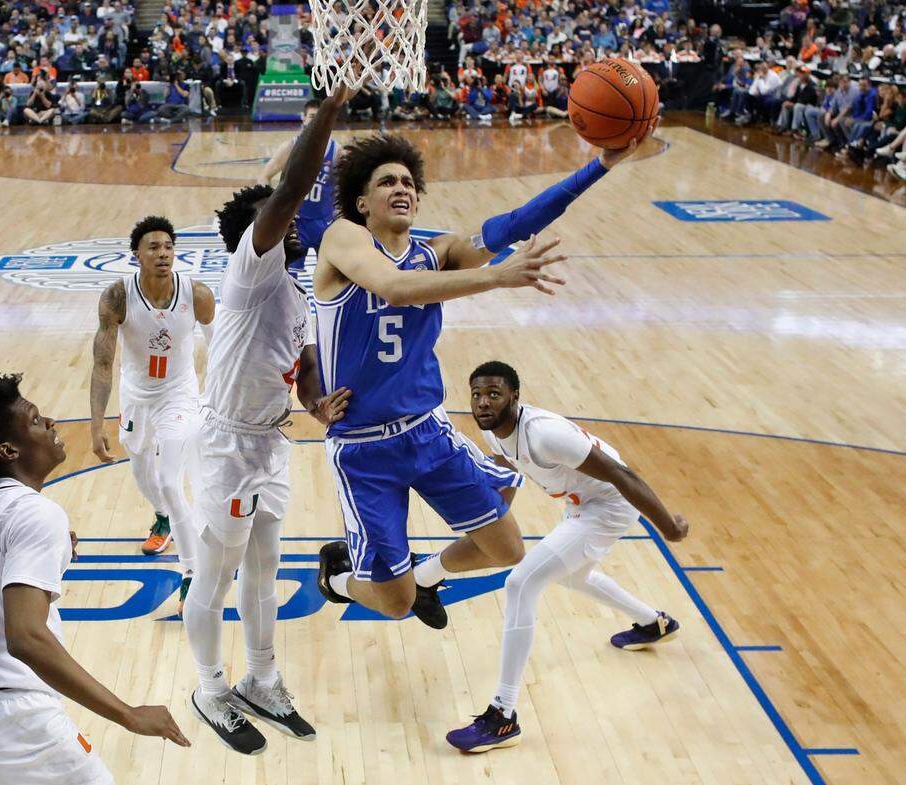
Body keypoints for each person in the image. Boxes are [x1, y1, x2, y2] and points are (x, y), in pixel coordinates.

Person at [312, 129, 648, 632]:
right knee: (395, 603)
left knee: (507, 547)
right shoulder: (343, 238)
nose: (402, 188)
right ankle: (336, 580)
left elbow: (514, 224)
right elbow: (395, 288)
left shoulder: (437, 252)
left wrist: (600, 165)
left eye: (408, 182)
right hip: (364, 449)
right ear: (362, 201)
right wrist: (496, 276)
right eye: (386, 183)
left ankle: (426, 575)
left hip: (427, 431)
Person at [182, 82, 355, 755]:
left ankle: (262, 676)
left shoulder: (297, 285)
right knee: (215, 573)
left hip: (272, 438)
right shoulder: (248, 270)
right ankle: (209, 684)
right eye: (275, 218)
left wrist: (315, 401)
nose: (287, 221)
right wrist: (328, 116)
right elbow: (288, 193)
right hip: (227, 441)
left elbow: (304, 359)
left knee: (265, 565)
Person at [0, 373, 190, 785]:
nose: (51, 423)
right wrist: (127, 713)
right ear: (9, 449)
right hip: (6, 717)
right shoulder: (36, 515)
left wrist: (51, 550)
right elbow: (25, 638)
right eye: (35, 420)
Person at [445, 362, 688, 752]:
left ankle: (503, 716)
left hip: (608, 505)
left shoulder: (544, 435)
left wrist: (668, 527)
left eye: (494, 394)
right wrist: (492, 522)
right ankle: (653, 623)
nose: (483, 402)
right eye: (477, 394)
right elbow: (508, 471)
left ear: (515, 397)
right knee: (572, 575)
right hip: (581, 504)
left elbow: (623, 475)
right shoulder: (494, 431)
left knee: (521, 582)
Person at [89, 216, 214, 610]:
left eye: (168, 247)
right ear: (137, 255)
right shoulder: (117, 296)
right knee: (143, 471)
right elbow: (103, 363)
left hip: (179, 394)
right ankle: (162, 517)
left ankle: (193, 572)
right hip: (136, 395)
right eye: (154, 247)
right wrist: (96, 427)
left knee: (170, 479)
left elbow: (224, 346)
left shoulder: (196, 293)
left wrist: (218, 400)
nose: (162, 254)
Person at [256, 98, 340, 263]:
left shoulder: (337, 151)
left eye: (320, 117)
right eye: (312, 116)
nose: (316, 121)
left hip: (324, 222)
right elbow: (263, 177)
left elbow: (345, 186)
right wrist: (272, 208)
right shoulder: (290, 147)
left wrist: (340, 212)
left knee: (330, 274)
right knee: (290, 276)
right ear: (303, 118)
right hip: (295, 222)